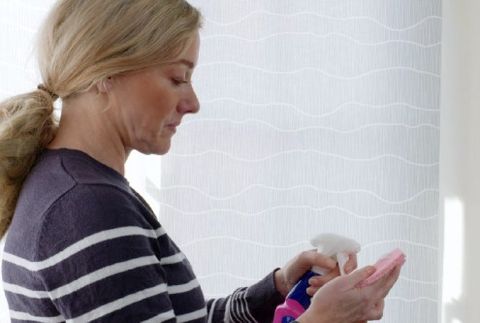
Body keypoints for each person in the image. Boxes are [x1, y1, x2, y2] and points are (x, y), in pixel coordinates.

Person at [0, 1, 401, 322]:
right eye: (177, 78)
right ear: (106, 72)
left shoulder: (69, 189)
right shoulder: (86, 209)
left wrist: (276, 290)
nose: (192, 103)